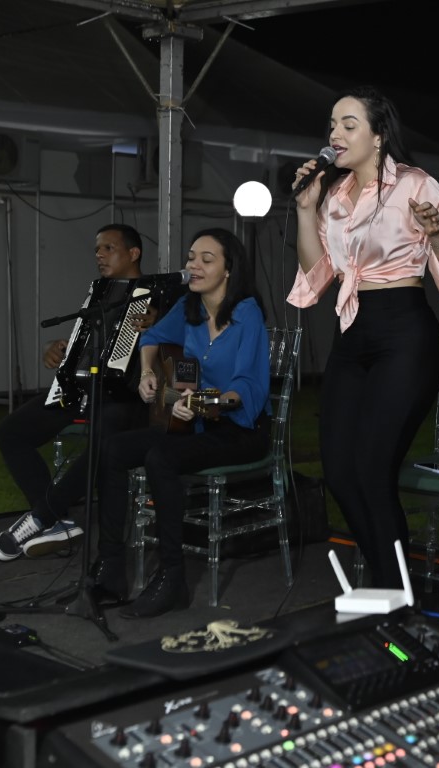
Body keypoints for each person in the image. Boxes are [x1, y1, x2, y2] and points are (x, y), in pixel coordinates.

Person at [286, 86, 439, 589]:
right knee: (339, 473)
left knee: (372, 469)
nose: (335, 134)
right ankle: (393, 587)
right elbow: (318, 276)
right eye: (332, 125)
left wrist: (437, 234)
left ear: (378, 135)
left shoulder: (415, 184)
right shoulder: (333, 197)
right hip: (352, 333)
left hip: (404, 331)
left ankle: (398, 599)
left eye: (348, 124)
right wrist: (305, 209)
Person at [89, 227, 271, 619]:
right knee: (114, 448)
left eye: (207, 259)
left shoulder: (247, 313)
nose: (194, 265)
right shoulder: (190, 306)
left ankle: (172, 578)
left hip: (242, 428)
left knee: (162, 457)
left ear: (228, 269)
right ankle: (111, 568)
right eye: (191, 257)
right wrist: (146, 372)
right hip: (199, 424)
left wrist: (204, 403)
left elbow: (247, 387)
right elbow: (151, 336)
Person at [0, 223, 156, 561]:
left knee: (103, 442)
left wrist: (159, 322)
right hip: (82, 388)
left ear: (133, 253)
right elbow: (83, 343)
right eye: (97, 249)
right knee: (11, 432)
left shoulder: (157, 295)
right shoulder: (99, 293)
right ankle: (56, 522)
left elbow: (173, 340)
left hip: (127, 398)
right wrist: (55, 349)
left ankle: (43, 516)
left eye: (108, 248)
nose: (99, 255)